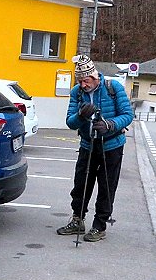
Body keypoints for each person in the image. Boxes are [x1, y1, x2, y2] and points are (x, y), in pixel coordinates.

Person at [56, 55, 134, 242]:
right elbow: (70, 123)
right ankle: (77, 219)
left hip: (112, 145)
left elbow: (127, 114)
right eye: (80, 81)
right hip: (87, 144)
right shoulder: (77, 93)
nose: (83, 85)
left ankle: (99, 225)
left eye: (86, 80)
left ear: (94, 76)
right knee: (81, 184)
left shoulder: (113, 87)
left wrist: (109, 124)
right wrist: (81, 116)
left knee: (107, 186)